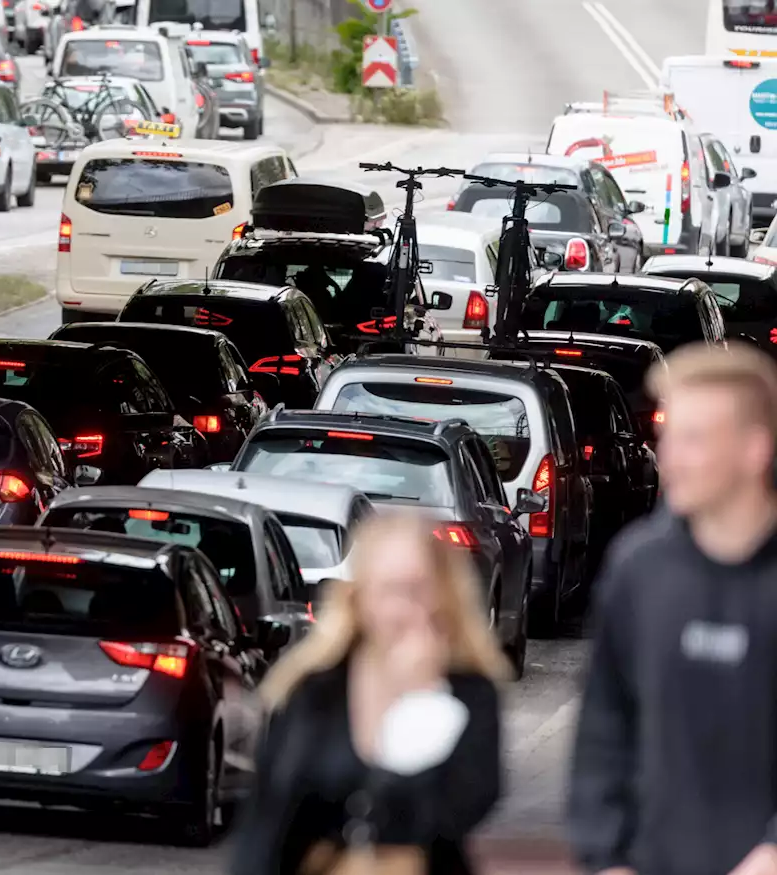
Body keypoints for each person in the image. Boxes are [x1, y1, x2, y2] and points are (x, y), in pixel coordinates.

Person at [568, 343, 777, 875]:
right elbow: (603, 730)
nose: (669, 458)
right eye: (667, 438)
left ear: (756, 449)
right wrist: (606, 856)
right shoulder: (637, 568)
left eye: (694, 439)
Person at [229, 513, 505, 875]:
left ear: (445, 595)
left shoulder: (470, 693)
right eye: (390, 590)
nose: (405, 608)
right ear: (360, 598)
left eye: (418, 589)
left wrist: (421, 703)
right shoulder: (316, 688)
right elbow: (267, 820)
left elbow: (463, 807)